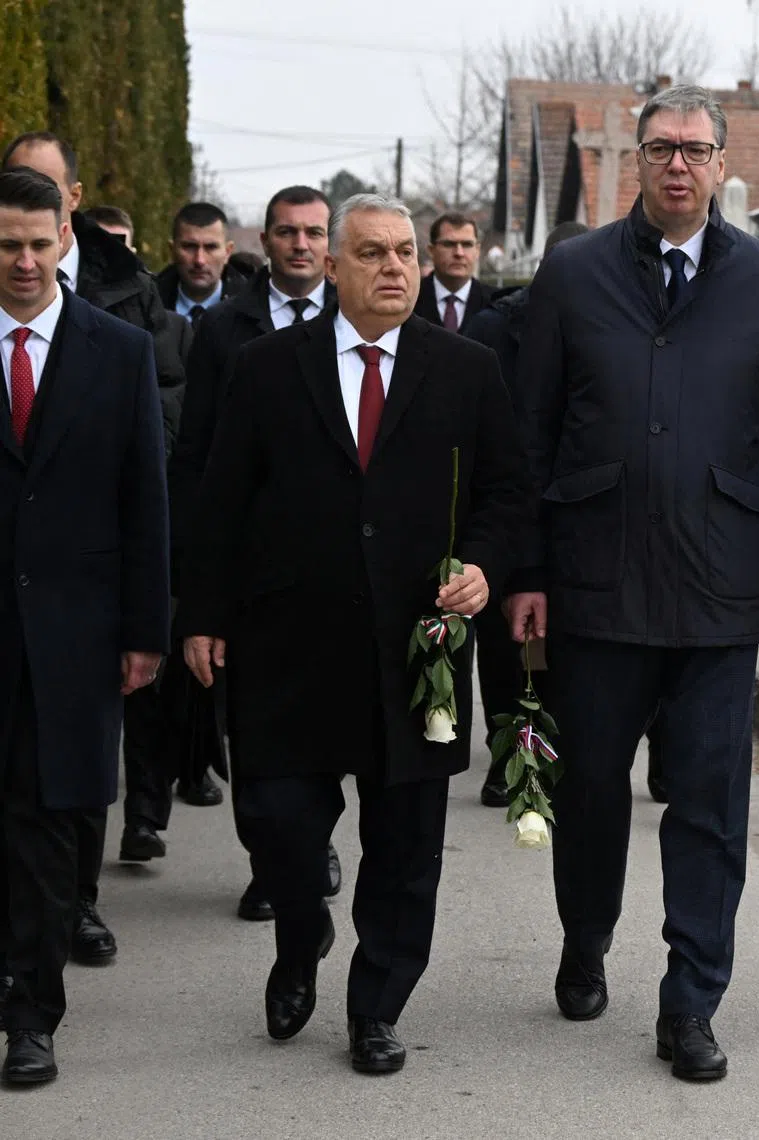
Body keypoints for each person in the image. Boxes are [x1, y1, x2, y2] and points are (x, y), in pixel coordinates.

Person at [507, 84, 759, 1081]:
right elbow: (529, 435)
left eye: (695, 149)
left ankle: (692, 1003)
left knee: (712, 811)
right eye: (661, 149)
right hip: (596, 589)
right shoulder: (573, 274)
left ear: (721, 164)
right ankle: (585, 936)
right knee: (590, 790)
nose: (678, 164)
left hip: (721, 590)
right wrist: (524, 572)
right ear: (635, 164)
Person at [177, 193, 528, 1074]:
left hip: (418, 655)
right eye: (372, 253)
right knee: (278, 821)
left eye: (406, 252)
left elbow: (506, 494)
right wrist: (203, 616)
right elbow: (220, 501)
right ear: (332, 268)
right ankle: (301, 940)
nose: (396, 269)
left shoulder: (468, 368)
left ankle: (377, 1006)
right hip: (287, 647)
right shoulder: (266, 367)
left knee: (405, 850)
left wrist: (483, 564)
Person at [1, 131, 188, 964]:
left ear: (65, 239)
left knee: (50, 816)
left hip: (74, 629)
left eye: (40, 244)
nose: (25, 262)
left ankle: (34, 1009)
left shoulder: (119, 353)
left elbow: (142, 501)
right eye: (8, 245)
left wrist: (145, 632)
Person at [168, 184, 341, 922]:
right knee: (255, 726)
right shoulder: (226, 329)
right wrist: (194, 576)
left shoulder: (357, 315)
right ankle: (268, 859)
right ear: (264, 242)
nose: (300, 245)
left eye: (312, 233)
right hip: (250, 562)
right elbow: (199, 454)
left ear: (328, 243)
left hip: (335, 562)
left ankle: (314, 843)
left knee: (329, 720)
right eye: (286, 233)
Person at [466, 219, 587, 807]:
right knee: (505, 645)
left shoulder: (608, 320)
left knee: (567, 648)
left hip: (579, 507)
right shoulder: (496, 327)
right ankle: (508, 755)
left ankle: (550, 754)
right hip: (510, 501)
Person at [155, 202, 252, 326]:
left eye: (210, 247)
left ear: (228, 252)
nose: (199, 260)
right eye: (189, 246)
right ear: (172, 250)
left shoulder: (252, 310)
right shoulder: (145, 307)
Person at [412, 212, 491, 333]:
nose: (459, 253)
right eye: (449, 244)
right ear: (431, 250)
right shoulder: (410, 300)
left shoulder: (496, 303)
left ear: (477, 251)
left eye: (467, 244)